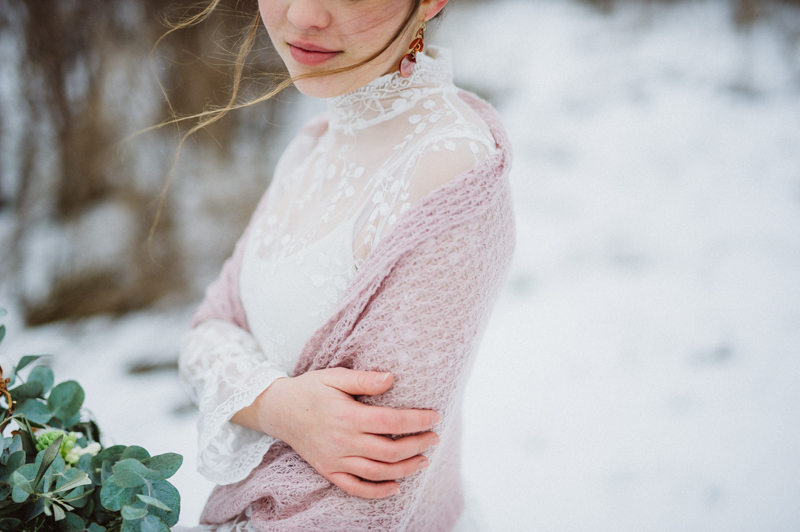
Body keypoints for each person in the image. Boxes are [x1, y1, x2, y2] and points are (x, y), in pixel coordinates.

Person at [177, 0, 515, 530]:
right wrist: (278, 406)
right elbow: (206, 331)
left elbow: (365, 497)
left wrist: (250, 392)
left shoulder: (450, 172)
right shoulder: (311, 144)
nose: (304, 15)